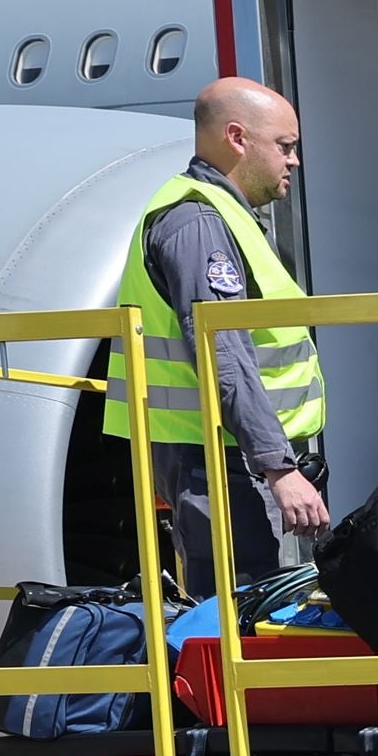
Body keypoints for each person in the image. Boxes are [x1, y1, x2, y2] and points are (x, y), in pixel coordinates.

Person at [105, 78, 331, 597]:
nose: (294, 161)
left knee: (260, 612)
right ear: (237, 138)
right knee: (243, 616)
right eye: (285, 146)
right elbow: (223, 353)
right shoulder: (199, 222)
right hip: (222, 462)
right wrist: (278, 468)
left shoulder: (224, 215)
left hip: (233, 456)